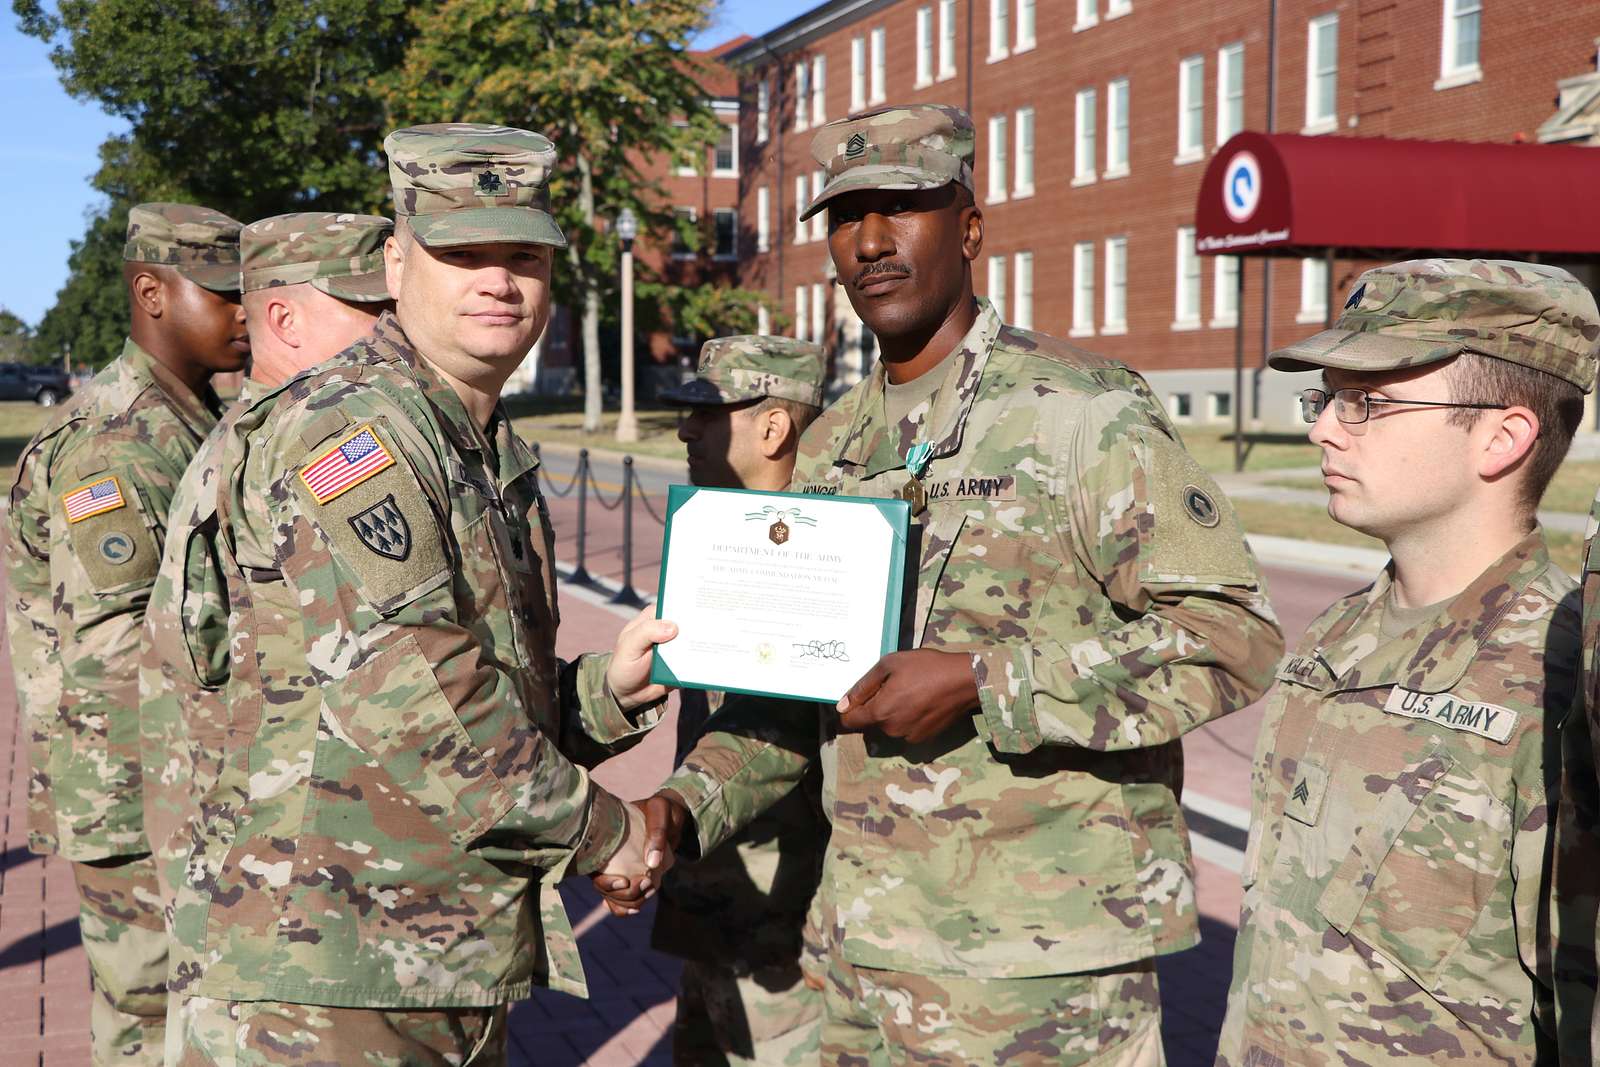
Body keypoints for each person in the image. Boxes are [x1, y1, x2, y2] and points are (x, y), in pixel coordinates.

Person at [619, 104, 1283, 1063]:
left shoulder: (1080, 415)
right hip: (853, 958)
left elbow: (1233, 636)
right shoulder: (832, 447)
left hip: (1037, 972)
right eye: (847, 218)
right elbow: (782, 703)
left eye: (904, 208)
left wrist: (985, 679)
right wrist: (677, 811)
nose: (872, 241)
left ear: (970, 229)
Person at [161, 124, 675, 1065]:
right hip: (325, 981)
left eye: (522, 255)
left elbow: (479, 679)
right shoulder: (353, 427)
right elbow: (418, 700)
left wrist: (607, 690)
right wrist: (612, 832)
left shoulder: (468, 436)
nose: (498, 280)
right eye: (462, 253)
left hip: (425, 957)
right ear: (398, 264)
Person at [1215, 259, 1598, 1066]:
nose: (1323, 428)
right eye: (1326, 398)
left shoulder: (1559, 682)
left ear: (1503, 436)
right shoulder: (1332, 638)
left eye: (1369, 402)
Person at [4, 202, 247, 1066]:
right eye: (225, 294)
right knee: (151, 1023)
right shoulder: (116, 443)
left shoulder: (184, 416)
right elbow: (118, 658)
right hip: (138, 798)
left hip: (171, 790)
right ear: (151, 290)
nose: (249, 312)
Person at [138, 210, 394, 923]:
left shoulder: (268, 436)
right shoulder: (295, 448)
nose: (393, 331)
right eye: (371, 309)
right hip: (286, 883)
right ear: (283, 318)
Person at [653, 336, 830, 1065]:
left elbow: (784, 727)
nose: (685, 430)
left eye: (707, 412)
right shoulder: (716, 533)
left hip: (785, 938)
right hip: (713, 911)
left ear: (773, 427)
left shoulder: (829, 549)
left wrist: (667, 813)